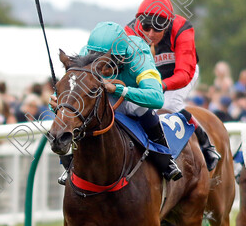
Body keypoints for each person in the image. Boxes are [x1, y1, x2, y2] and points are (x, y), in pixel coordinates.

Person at [56, 21, 182, 185]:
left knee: (142, 108)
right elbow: (69, 87)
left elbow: (156, 98)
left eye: (108, 63)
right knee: (76, 109)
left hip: (131, 96)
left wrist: (118, 90)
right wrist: (56, 99)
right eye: (97, 62)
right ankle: (69, 163)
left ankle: (165, 158)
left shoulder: (139, 55)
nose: (103, 69)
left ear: (122, 57)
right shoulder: (84, 53)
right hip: (99, 98)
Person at [125, 0, 219, 171]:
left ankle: (206, 144)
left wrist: (158, 87)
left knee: (168, 103)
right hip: (152, 76)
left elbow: (184, 74)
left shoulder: (182, 29)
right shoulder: (130, 32)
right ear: (139, 23)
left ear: (167, 25)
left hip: (181, 72)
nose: (151, 34)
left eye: (157, 29)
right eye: (146, 27)